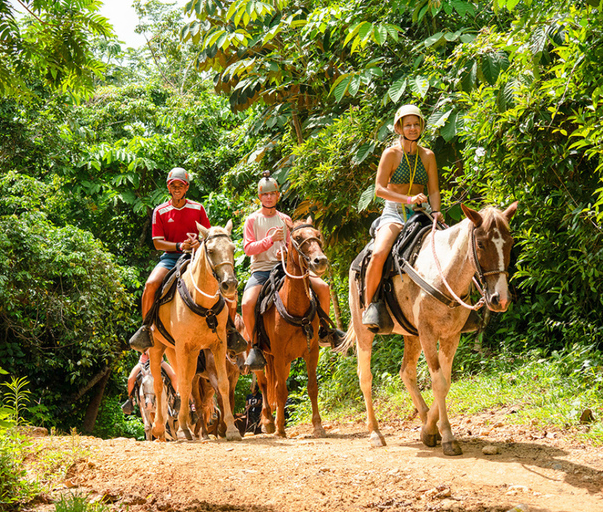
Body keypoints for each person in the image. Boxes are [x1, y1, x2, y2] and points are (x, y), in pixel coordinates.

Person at [128, 166, 246, 353]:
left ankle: (230, 330)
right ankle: (146, 328)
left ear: (186, 188)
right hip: (171, 257)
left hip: (196, 257)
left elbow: (208, 237)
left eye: (180, 186)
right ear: (168, 188)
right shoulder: (160, 211)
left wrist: (196, 244)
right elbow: (157, 243)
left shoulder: (197, 208)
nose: (177, 189)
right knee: (150, 284)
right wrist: (179, 246)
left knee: (228, 288)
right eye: (173, 185)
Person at [241, 172, 345, 370]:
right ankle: (255, 346)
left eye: (272, 194)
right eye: (265, 194)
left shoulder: (285, 219)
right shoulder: (252, 220)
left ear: (278, 196)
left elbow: (294, 247)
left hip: (285, 268)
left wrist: (287, 250)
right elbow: (248, 249)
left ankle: (325, 330)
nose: (269, 197)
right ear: (259, 197)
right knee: (247, 303)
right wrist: (270, 241)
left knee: (322, 287)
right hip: (262, 270)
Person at [361, 104, 444, 328]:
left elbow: (434, 190)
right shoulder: (391, 154)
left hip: (420, 213)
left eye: (416, 124)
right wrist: (407, 199)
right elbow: (379, 189)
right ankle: (370, 306)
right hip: (394, 213)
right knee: (379, 254)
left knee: (453, 246)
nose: (413, 128)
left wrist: (436, 211)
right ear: (399, 127)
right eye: (408, 125)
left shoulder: (427, 155)